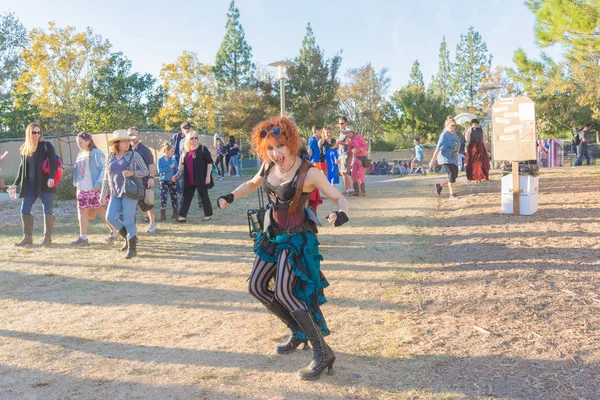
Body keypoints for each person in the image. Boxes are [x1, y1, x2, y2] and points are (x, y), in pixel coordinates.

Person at [217, 116, 349, 381]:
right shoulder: (268, 166)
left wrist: (341, 214)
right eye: (269, 148)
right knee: (255, 286)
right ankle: (297, 330)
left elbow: (339, 196)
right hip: (272, 236)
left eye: (279, 146)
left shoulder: (309, 171)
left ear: (290, 143)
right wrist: (230, 196)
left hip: (297, 238)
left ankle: (323, 352)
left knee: (285, 291)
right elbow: (253, 183)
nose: (275, 153)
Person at [100, 130, 149, 259]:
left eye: (128, 141)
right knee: (110, 217)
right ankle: (128, 237)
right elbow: (106, 177)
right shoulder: (110, 157)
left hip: (129, 192)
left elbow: (145, 171)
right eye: (124, 141)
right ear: (116, 143)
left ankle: (133, 248)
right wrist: (103, 194)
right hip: (114, 192)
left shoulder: (134, 155)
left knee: (128, 220)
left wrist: (132, 173)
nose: (127, 143)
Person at [10, 123, 57, 247]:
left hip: (46, 183)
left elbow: (53, 162)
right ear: (29, 133)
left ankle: (47, 239)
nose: (37, 135)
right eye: (34, 132)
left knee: (47, 210)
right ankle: (27, 237)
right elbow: (22, 168)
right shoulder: (25, 148)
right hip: (30, 184)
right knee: (24, 210)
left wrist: (51, 177)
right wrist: (15, 184)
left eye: (39, 132)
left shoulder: (46, 146)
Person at [70, 132, 114, 246]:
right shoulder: (81, 153)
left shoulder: (96, 153)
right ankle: (83, 237)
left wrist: (99, 183)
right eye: (77, 142)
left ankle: (115, 230)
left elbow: (104, 169)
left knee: (99, 209)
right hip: (82, 188)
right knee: (82, 210)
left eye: (81, 142)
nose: (79, 144)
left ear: (88, 141)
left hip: (93, 188)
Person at [173, 131, 214, 222]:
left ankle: (208, 215)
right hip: (189, 179)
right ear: (188, 140)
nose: (194, 140)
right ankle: (182, 216)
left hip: (200, 178)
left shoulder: (203, 149)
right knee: (186, 196)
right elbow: (183, 165)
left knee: (204, 195)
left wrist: (208, 176)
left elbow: (209, 163)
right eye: (192, 138)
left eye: (196, 138)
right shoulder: (186, 151)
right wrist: (177, 174)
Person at [128, 127, 157, 233]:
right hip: (131, 183)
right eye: (130, 134)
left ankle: (152, 223)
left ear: (138, 136)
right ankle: (131, 227)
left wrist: (151, 178)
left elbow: (151, 165)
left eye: (135, 134)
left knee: (147, 203)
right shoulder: (126, 149)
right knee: (132, 206)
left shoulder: (144, 150)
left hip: (143, 181)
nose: (133, 136)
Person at [429, 116, 461, 200]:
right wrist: (433, 160)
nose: (453, 128)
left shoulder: (454, 133)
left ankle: (439, 185)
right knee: (451, 174)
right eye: (451, 126)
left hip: (453, 157)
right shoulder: (444, 135)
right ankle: (452, 195)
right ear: (447, 126)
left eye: (454, 126)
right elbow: (438, 148)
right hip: (445, 158)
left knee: (454, 175)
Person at [157, 143, 179, 221]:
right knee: (163, 197)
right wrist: (169, 167)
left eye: (173, 151)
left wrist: (176, 177)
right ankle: (163, 215)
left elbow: (177, 171)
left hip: (172, 181)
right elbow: (160, 170)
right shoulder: (160, 160)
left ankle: (175, 213)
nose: (173, 153)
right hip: (164, 181)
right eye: (171, 151)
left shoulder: (173, 160)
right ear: (166, 151)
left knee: (174, 197)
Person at [345, 126, 368, 197]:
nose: (348, 134)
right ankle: (356, 191)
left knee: (361, 175)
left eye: (349, 132)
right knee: (353, 174)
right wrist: (348, 145)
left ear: (352, 132)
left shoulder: (359, 137)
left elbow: (365, 146)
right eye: (347, 133)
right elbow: (349, 151)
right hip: (355, 158)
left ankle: (363, 191)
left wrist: (359, 150)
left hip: (362, 158)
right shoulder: (349, 139)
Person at [464, 118, 489, 182]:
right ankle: (478, 176)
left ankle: (474, 176)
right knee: (479, 161)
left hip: (473, 146)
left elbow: (467, 139)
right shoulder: (481, 130)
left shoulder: (470, 130)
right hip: (479, 145)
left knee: (473, 161)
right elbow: (483, 139)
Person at [337, 117, 353, 195]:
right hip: (341, 153)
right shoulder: (341, 132)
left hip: (345, 153)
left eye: (342, 123)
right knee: (343, 172)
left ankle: (347, 189)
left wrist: (340, 143)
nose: (340, 125)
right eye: (339, 123)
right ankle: (349, 189)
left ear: (346, 123)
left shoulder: (347, 132)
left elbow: (348, 143)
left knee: (344, 172)